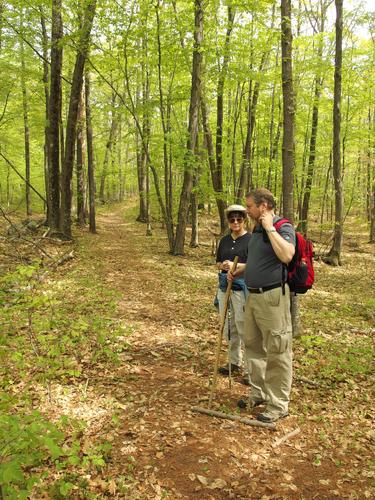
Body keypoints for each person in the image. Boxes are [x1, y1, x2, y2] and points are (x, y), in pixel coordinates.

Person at [236, 188, 295, 423]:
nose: (246, 210)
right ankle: (258, 392)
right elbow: (258, 262)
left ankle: (278, 404)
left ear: (263, 206)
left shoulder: (282, 226)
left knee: (278, 351)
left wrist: (270, 227)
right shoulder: (257, 229)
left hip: (272, 299)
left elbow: (287, 255)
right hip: (252, 298)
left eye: (249, 206)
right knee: (253, 347)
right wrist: (239, 269)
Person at [215, 204, 251, 382]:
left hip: (241, 288)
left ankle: (250, 370)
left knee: (243, 325)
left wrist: (237, 268)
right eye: (232, 219)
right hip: (224, 286)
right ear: (228, 221)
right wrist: (223, 266)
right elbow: (218, 262)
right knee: (228, 326)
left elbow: (254, 266)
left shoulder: (251, 240)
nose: (235, 222)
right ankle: (234, 361)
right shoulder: (224, 241)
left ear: (244, 220)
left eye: (239, 219)